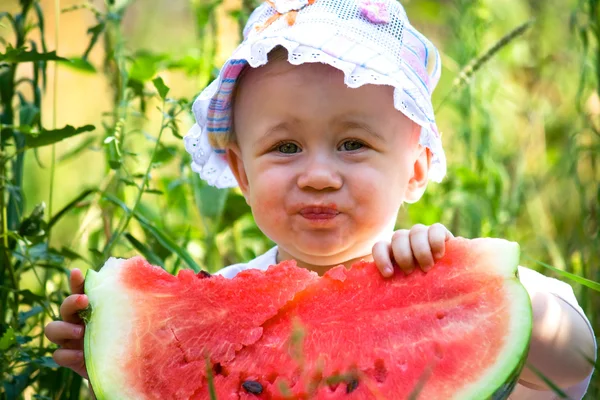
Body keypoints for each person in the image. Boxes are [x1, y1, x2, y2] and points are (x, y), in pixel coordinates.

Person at [45, 0, 596, 398]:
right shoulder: (228, 299)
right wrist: (122, 353)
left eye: (353, 144)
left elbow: (576, 361)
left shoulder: (435, 269)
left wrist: (482, 292)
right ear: (241, 170)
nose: (317, 175)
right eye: (285, 147)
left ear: (417, 166)